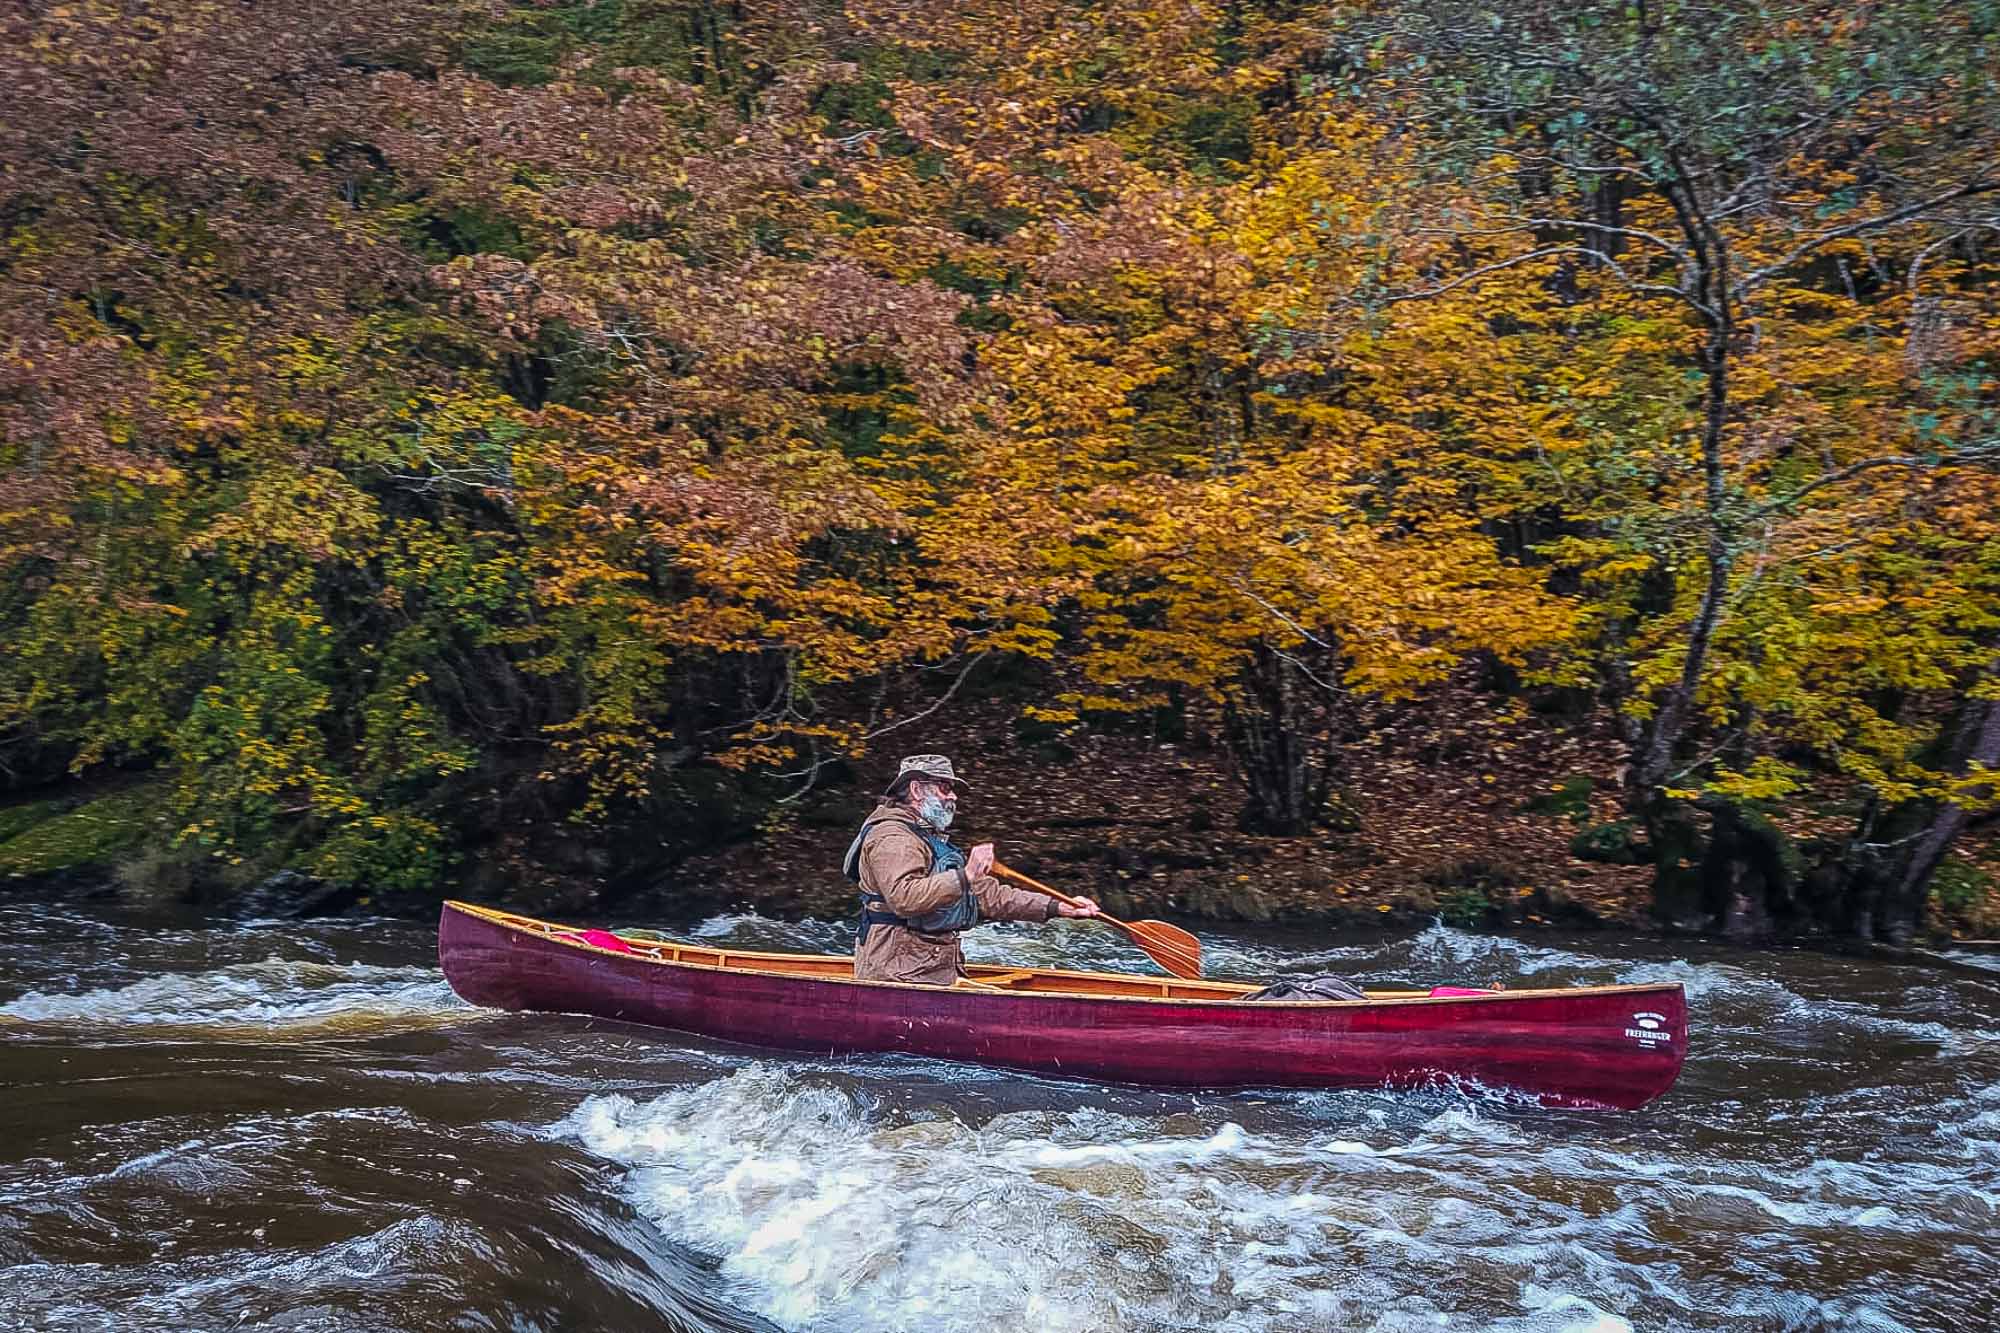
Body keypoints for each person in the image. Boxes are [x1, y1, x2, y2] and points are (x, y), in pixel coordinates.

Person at [843, 754, 1100, 985]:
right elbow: (905, 898)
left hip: (931, 970)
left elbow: (991, 897)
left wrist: (1057, 907)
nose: (953, 796)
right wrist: (966, 874)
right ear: (916, 789)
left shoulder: (929, 838)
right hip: (897, 975)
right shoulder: (892, 837)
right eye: (945, 788)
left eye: (952, 790)